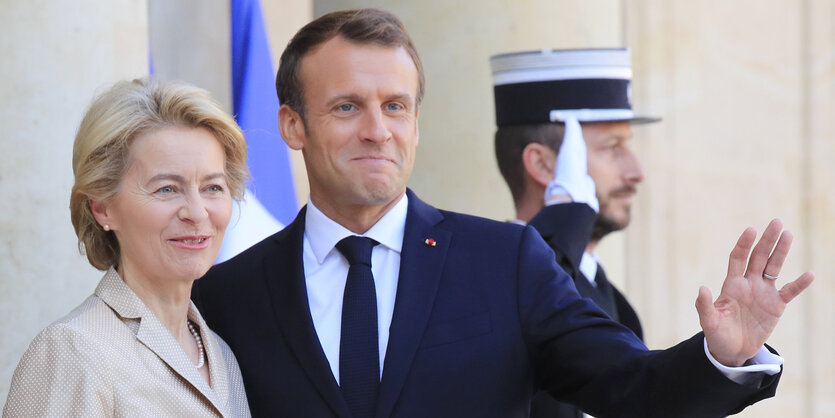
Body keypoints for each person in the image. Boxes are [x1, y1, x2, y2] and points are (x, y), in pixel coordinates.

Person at [192, 9, 814, 418]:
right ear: (292, 126)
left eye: (397, 106)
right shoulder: (226, 294)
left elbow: (633, 387)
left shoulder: (505, 263)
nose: (378, 130)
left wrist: (722, 356)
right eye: (348, 107)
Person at [3, 79, 251, 417]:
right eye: (167, 189)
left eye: (212, 187)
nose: (196, 212)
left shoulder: (221, 355)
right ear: (102, 207)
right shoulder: (73, 350)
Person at [491, 48, 656, 417]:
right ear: (543, 164)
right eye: (612, 148)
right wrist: (567, 213)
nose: (636, 171)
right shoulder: (493, 288)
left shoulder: (612, 299)